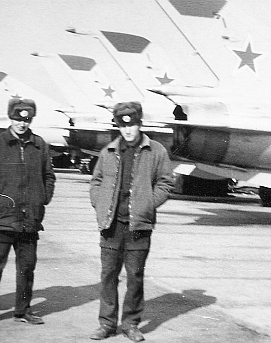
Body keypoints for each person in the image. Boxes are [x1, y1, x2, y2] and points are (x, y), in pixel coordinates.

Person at [89, 102, 174, 342]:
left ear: (140, 124)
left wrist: (147, 204)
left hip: (139, 227)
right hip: (111, 226)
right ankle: (106, 324)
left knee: (135, 276)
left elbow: (166, 182)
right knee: (108, 276)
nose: (127, 130)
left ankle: (130, 324)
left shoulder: (155, 151)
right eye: (123, 125)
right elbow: (95, 182)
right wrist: (100, 203)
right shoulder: (108, 151)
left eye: (132, 124)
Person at [0, 98, 56, 327]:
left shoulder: (39, 145)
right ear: (10, 118)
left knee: (27, 268)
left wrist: (42, 198)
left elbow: (49, 176)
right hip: (2, 220)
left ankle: (23, 310)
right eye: (18, 119)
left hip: (30, 220)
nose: (22, 124)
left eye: (26, 120)